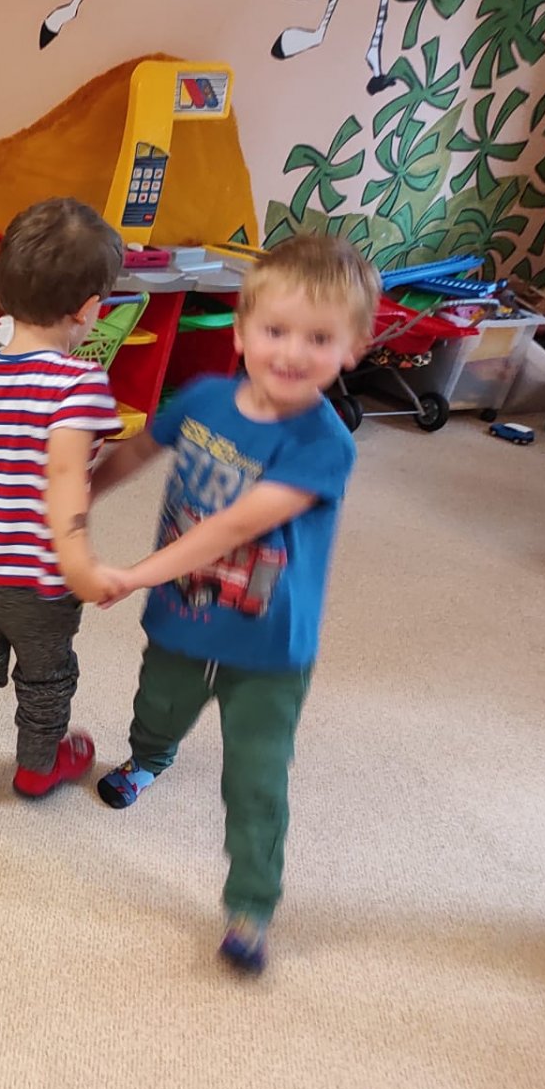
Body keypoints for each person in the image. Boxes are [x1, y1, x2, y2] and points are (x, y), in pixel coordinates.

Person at [88, 235, 376, 974]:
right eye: (275, 330)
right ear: (242, 330)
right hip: (185, 612)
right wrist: (79, 497)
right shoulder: (204, 399)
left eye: (319, 338)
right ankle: (149, 759)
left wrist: (136, 574)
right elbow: (136, 450)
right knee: (159, 703)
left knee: (256, 776)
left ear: (354, 348)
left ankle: (251, 904)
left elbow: (235, 526)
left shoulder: (324, 444)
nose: (292, 352)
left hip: (269, 641)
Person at [0, 198, 126, 806]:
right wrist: (80, 562)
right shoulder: (79, 384)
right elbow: (65, 474)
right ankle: (39, 766)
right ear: (88, 309)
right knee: (45, 676)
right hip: (39, 579)